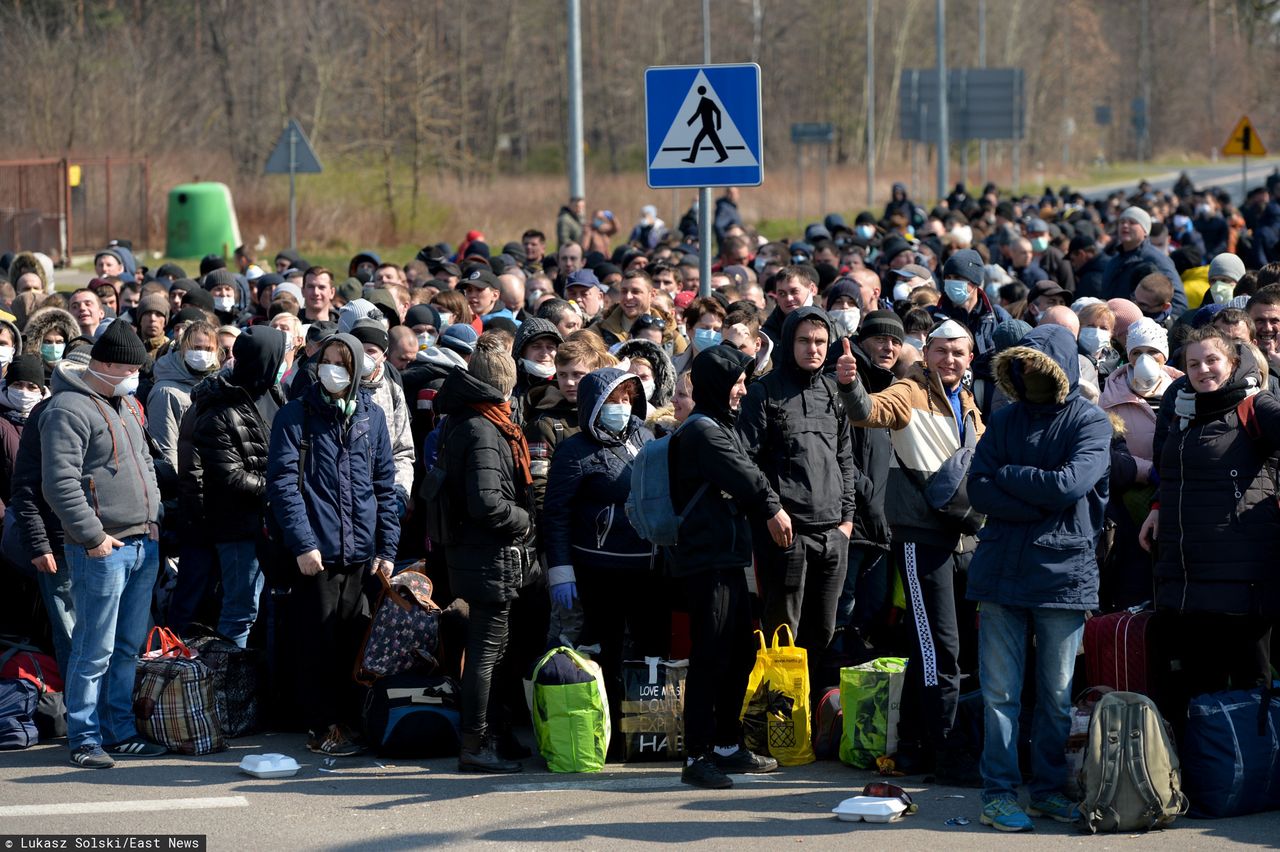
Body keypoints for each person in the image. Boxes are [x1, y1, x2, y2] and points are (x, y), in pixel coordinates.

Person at [965, 324, 1111, 831]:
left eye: (1038, 366)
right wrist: (1036, 496)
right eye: (1020, 366)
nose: (1029, 374)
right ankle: (999, 793)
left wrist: (1010, 476)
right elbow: (977, 489)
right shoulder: (1004, 420)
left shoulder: (1091, 422)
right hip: (1002, 570)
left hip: (1062, 574)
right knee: (999, 694)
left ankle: (1048, 790)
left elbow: (1070, 485)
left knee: (1055, 695)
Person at [839, 319, 984, 777]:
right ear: (926, 353)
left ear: (970, 357)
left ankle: (925, 742)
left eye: (957, 352)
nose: (949, 360)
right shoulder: (910, 389)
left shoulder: (969, 400)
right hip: (922, 538)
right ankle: (944, 750)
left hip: (965, 539)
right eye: (940, 351)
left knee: (958, 648)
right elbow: (869, 411)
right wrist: (850, 385)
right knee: (936, 646)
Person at [267, 333, 400, 757]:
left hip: (361, 552)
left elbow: (383, 485)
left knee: (351, 642)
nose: (331, 369)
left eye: (341, 363)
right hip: (316, 554)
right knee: (315, 644)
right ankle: (321, 726)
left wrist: (388, 548)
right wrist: (303, 544)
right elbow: (284, 486)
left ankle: (348, 721)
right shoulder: (295, 415)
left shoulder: (372, 416)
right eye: (326, 361)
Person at [1142, 328, 1280, 730]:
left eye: (1212, 361)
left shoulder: (1254, 406)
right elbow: (1167, 471)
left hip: (1242, 581)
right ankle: (1208, 787)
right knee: (1198, 692)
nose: (1203, 370)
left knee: (1252, 691)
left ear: (1232, 363)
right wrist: (1157, 506)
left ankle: (1257, 782)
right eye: (1193, 364)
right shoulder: (1182, 408)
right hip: (1187, 576)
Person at [42, 321, 163, 768]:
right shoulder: (68, 408)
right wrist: (93, 538)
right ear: (108, 364)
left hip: (141, 544)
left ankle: (119, 731)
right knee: (94, 647)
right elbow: (59, 483)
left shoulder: (127, 402)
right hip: (103, 550)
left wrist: (153, 520)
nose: (136, 376)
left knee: (127, 646)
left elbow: (146, 463)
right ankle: (85, 737)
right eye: (130, 368)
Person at [674, 343, 787, 789]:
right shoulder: (703, 432)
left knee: (739, 651)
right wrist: (774, 509)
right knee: (710, 656)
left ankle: (726, 745)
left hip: (729, 556)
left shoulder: (720, 424)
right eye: (738, 382)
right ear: (718, 385)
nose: (742, 390)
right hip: (708, 560)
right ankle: (697, 756)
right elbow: (747, 477)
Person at [543, 367, 665, 740]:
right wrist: (561, 569)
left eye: (627, 399)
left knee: (648, 649)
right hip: (598, 569)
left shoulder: (646, 438)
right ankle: (603, 729)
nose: (622, 407)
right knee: (604, 651)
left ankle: (647, 729)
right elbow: (556, 513)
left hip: (647, 567)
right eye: (614, 401)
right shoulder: (574, 451)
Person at [738, 307, 857, 684]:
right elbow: (747, 461)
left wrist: (847, 523)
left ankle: (809, 721)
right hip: (785, 535)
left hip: (833, 535)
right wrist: (772, 510)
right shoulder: (764, 391)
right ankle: (779, 728)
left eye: (820, 342)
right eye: (804, 340)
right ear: (789, 343)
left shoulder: (832, 391)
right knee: (781, 636)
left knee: (821, 633)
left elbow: (845, 458)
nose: (813, 348)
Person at [435, 334, 534, 773]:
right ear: (506, 387)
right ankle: (475, 743)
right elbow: (486, 502)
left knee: (495, 648)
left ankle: (495, 733)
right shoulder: (483, 428)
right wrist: (525, 520)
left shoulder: (472, 420)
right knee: (485, 651)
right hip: (487, 555)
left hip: (477, 554)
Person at [177, 326, 289, 647]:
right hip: (238, 526)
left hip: (271, 521)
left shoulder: (272, 391)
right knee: (241, 609)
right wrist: (279, 487)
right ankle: (225, 685)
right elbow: (230, 475)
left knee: (266, 607)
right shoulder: (217, 409)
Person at [146, 321, 221, 488]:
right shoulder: (165, 392)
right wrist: (177, 490)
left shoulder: (216, 384)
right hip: (186, 485)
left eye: (208, 349)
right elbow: (165, 448)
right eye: (196, 347)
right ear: (183, 350)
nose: (202, 354)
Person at [1100, 207, 1187, 314]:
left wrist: (1158, 323)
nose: (1125, 225)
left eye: (1132, 222)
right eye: (1122, 222)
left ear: (1145, 231)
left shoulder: (1156, 259)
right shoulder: (1113, 261)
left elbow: (1179, 303)